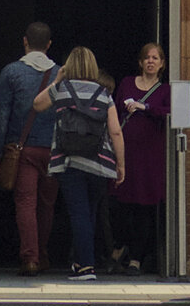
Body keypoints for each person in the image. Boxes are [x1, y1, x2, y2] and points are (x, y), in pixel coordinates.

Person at [33, 45, 124, 281]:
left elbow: (38, 104)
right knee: (90, 213)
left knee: (79, 214)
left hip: (70, 161)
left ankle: (85, 267)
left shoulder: (62, 88)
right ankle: (83, 262)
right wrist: (120, 164)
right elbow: (115, 132)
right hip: (99, 163)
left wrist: (57, 78)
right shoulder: (104, 93)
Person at [0, 21, 59, 276]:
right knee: (46, 205)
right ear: (49, 45)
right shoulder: (61, 73)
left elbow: (1, 114)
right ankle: (44, 254)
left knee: (25, 203)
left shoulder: (11, 72)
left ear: (25, 41)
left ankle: (30, 258)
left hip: (23, 150)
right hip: (54, 150)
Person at [109, 41, 170, 274]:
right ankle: (119, 245)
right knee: (120, 205)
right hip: (126, 154)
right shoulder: (126, 83)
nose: (151, 61)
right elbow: (113, 111)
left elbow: (170, 112)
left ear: (162, 63)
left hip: (150, 159)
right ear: (140, 62)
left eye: (155, 58)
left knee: (144, 209)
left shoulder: (165, 90)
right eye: (147, 58)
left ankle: (135, 259)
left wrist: (145, 107)